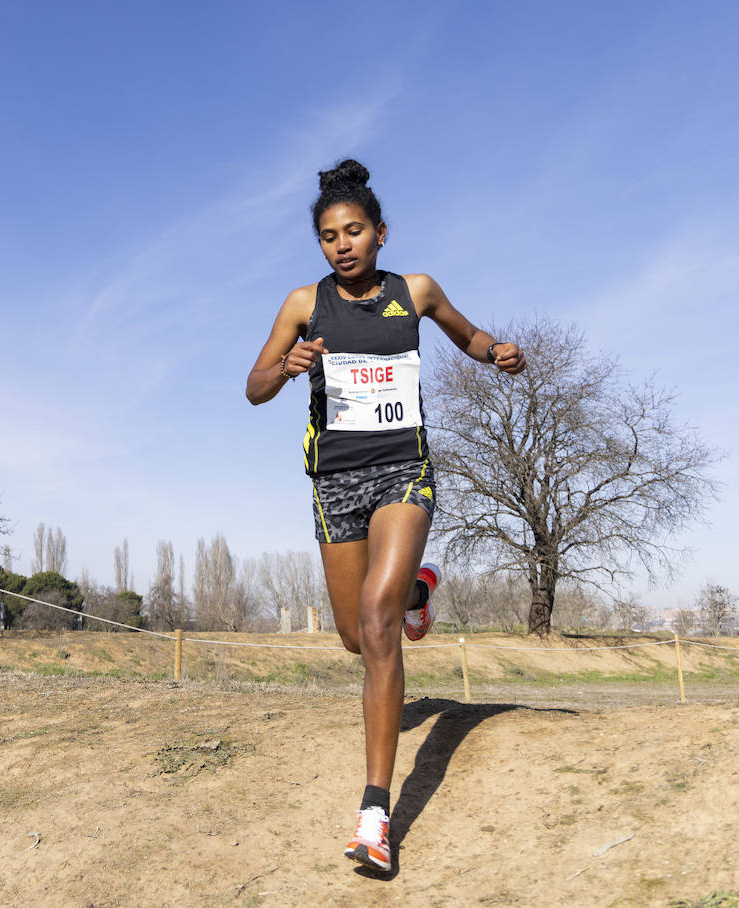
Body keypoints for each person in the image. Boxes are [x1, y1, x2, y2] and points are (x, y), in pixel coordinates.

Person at [245, 159, 525, 872]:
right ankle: (419, 592)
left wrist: (495, 352)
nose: (342, 244)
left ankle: (376, 813)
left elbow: (466, 334)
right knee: (354, 638)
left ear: (380, 233)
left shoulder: (415, 291)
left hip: (404, 471)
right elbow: (253, 387)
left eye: (354, 231)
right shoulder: (303, 304)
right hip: (334, 481)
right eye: (329, 236)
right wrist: (288, 366)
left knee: (377, 620)